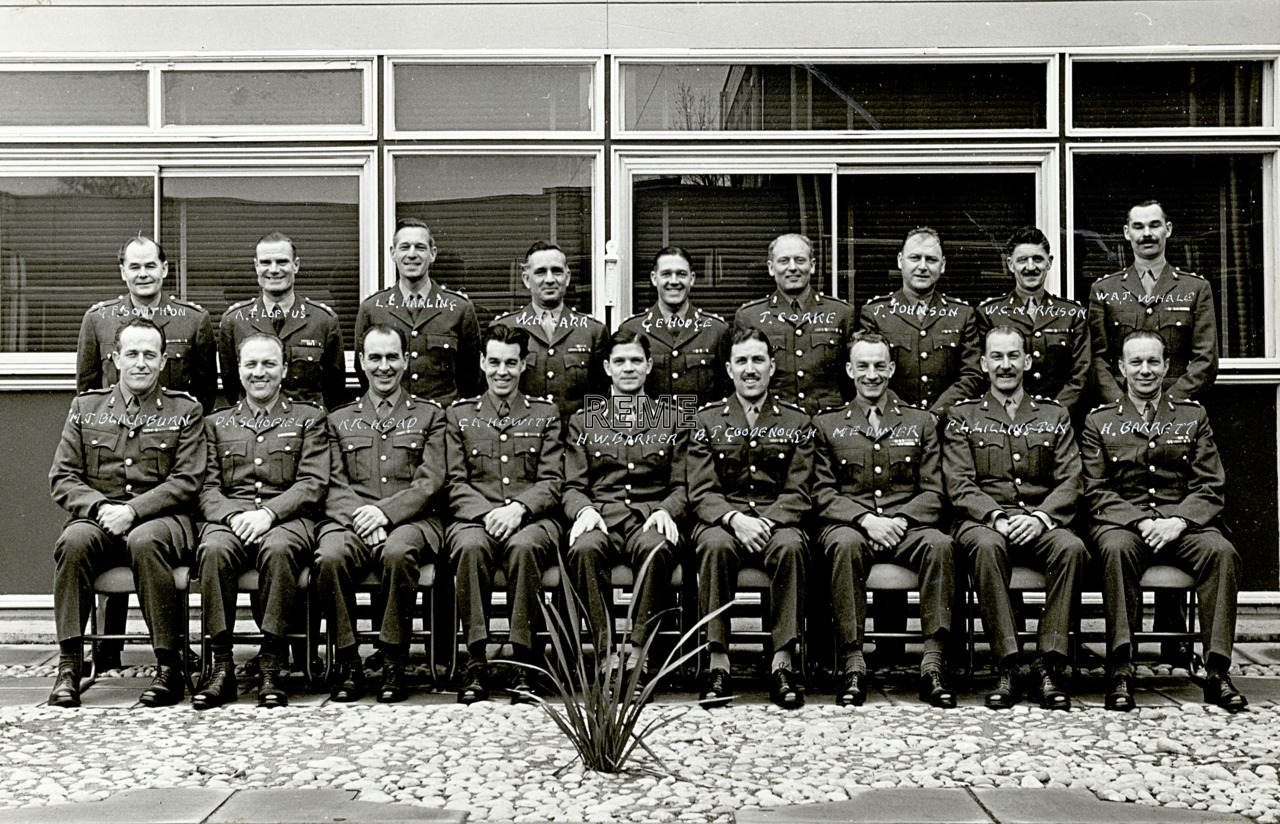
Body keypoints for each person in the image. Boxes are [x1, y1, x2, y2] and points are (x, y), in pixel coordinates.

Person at [1081, 330, 1246, 713]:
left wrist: (1178, 521)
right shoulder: (1100, 422)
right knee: (1115, 549)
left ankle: (1217, 672)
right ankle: (1121, 669)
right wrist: (1141, 522)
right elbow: (1096, 491)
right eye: (1135, 362)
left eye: (1153, 362)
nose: (1145, 370)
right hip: (1125, 525)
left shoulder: (1192, 415)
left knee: (1222, 552)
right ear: (1121, 368)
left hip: (1183, 525)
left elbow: (1210, 485)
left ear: (1166, 367)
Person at [48, 317, 205, 708]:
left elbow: (187, 480)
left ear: (163, 360)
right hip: (100, 520)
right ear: (115, 358)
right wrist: (101, 507)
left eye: (150, 355)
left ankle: (169, 666)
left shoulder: (184, 410)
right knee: (73, 540)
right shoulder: (86, 408)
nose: (141, 363)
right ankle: (69, 665)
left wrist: (133, 511)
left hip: (162, 523)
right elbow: (63, 478)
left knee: (144, 538)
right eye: (131, 354)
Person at [76, 235, 217, 673]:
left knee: (147, 538)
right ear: (123, 272)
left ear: (165, 269)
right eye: (134, 267)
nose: (142, 274)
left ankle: (171, 646)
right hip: (113, 447)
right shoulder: (98, 319)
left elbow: (206, 392)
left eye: (150, 266)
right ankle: (106, 645)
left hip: (167, 447)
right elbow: (87, 386)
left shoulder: (192, 321)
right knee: (103, 528)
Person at [943, 325, 1086, 711]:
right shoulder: (963, 416)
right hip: (986, 522)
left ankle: (1047, 664)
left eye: (1013, 357)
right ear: (985, 363)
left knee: (1071, 548)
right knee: (987, 547)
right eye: (997, 357)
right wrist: (996, 517)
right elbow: (958, 482)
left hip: (1040, 521)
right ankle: (1007, 664)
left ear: (1026, 361)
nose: (1005, 365)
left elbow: (1072, 480)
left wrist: (1041, 518)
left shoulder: (1053, 415)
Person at [812, 331, 957, 708]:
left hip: (906, 527)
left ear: (892, 369)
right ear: (849, 370)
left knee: (941, 545)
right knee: (843, 544)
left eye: (879, 365)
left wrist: (898, 521)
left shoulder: (921, 422)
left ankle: (933, 663)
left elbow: (935, 491)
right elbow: (822, 493)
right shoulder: (827, 425)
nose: (871, 374)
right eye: (862, 366)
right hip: (851, 527)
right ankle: (853, 662)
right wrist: (864, 520)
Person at [194, 333, 329, 709]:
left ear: (284, 370)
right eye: (251, 365)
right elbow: (206, 488)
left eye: (269, 364)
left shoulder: (308, 419)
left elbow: (313, 483)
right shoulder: (215, 424)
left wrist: (269, 514)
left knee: (280, 547)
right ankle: (222, 666)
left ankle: (272, 662)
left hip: (288, 520)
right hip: (232, 520)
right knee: (213, 548)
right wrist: (236, 516)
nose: (259, 373)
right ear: (238, 371)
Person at [315, 325, 446, 703]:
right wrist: (364, 516)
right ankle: (348, 661)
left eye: (392, 357)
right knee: (329, 557)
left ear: (406, 361)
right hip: (349, 521)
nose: (383, 366)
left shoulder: (430, 416)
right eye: (375, 358)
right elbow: (333, 483)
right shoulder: (339, 420)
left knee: (397, 553)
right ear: (361, 362)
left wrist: (384, 515)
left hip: (414, 521)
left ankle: (393, 661)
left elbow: (430, 482)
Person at [686, 327, 814, 709]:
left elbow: (800, 491)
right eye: (741, 361)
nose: (750, 369)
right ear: (729, 369)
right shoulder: (707, 420)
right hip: (725, 524)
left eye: (758, 360)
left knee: (792, 547)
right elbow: (701, 491)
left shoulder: (796, 422)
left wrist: (767, 522)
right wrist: (733, 519)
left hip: (778, 523)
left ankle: (782, 663)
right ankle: (718, 663)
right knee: (712, 546)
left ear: (772, 366)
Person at [446, 325, 564, 704]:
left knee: (525, 548)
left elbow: (552, 480)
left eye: (510, 363)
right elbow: (453, 482)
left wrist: (519, 508)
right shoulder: (459, 416)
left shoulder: (545, 414)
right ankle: (476, 659)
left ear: (523, 364)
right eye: (494, 362)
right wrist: (488, 514)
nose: (501, 371)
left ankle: (523, 660)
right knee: (468, 548)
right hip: (474, 519)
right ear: (482, 363)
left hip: (532, 519)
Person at [563, 329, 687, 682]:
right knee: (583, 548)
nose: (628, 368)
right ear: (606, 367)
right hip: (601, 517)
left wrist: (666, 511)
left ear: (649, 366)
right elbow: (573, 485)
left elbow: (683, 484)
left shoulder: (675, 417)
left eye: (636, 360)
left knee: (657, 547)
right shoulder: (583, 420)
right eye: (620, 361)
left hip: (649, 518)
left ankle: (638, 652)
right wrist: (584, 510)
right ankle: (604, 653)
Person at [1088, 200, 1218, 404]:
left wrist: (1171, 403)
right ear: (1126, 232)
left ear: (1168, 229)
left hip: (1179, 409)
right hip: (1120, 412)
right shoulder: (1104, 290)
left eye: (1154, 225)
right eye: (1138, 227)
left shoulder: (1195, 288)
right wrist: (1121, 405)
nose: (1146, 234)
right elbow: (1097, 359)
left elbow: (1206, 360)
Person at [353, 218, 481, 405]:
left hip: (442, 422)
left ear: (432, 254)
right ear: (393, 253)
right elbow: (363, 371)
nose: (411, 255)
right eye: (404, 247)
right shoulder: (371, 309)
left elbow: (470, 378)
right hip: (391, 420)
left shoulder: (460, 309)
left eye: (420, 247)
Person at [859, 227, 984, 416]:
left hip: (946, 425)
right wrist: (910, 418)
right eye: (915, 258)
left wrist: (936, 415)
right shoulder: (875, 314)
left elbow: (972, 375)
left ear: (942, 265)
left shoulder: (962, 315)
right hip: (892, 423)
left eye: (931, 260)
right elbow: (871, 374)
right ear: (900, 261)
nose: (923, 267)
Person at [218, 232, 345, 410]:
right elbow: (232, 386)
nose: (274, 269)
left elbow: (334, 389)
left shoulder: (323, 320)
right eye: (265, 263)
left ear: (296, 265)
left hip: (308, 428)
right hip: (254, 425)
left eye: (282, 262)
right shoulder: (234, 321)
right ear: (256, 267)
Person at [733, 233, 855, 415]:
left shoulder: (841, 313)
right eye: (783, 261)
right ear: (771, 268)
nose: (792, 268)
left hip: (828, 422)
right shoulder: (749, 317)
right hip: (773, 422)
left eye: (800, 260)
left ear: (812, 266)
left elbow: (852, 379)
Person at [977, 226, 1090, 417]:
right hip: (1005, 420)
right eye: (1022, 260)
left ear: (1049, 262)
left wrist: (1054, 415)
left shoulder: (1072, 314)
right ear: (1011, 265)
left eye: (1038, 259)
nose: (1030, 267)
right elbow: (982, 373)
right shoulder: (989, 314)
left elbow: (1081, 374)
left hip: (1060, 420)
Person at [490, 241, 607, 420]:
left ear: (567, 278)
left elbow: (600, 398)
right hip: (523, 439)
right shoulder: (505, 328)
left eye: (557, 271)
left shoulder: (593, 332)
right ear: (526, 280)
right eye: (540, 272)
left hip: (574, 440)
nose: (550, 279)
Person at [618, 246, 730, 407]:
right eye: (666, 274)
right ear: (654, 278)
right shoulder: (632, 329)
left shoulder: (716, 330)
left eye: (681, 274)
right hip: (651, 429)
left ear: (692, 279)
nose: (674, 281)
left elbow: (726, 395)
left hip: (699, 429)